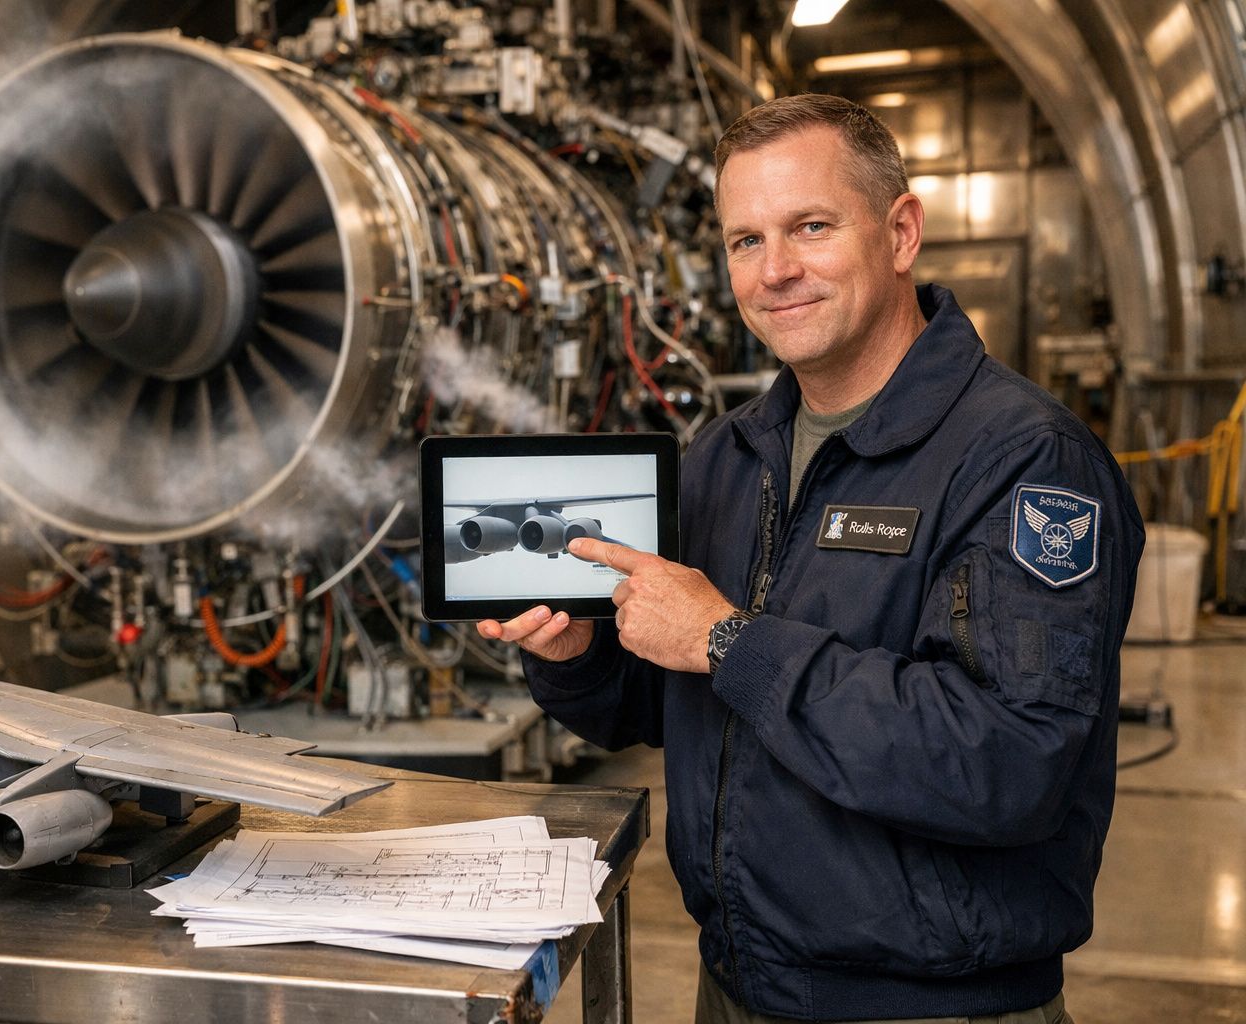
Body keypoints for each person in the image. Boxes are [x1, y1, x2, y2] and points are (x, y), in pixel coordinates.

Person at [479, 94, 1144, 1023]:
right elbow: (665, 703)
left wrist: (728, 639)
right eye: (745, 240)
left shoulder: (1022, 460)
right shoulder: (729, 455)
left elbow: (1007, 763)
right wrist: (576, 658)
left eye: (812, 227)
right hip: (738, 985)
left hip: (932, 1008)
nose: (776, 271)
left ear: (901, 231)